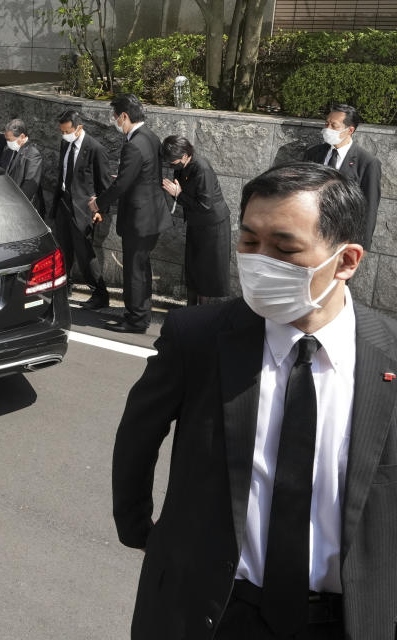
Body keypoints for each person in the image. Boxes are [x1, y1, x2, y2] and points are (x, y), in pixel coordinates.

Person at [112, 161, 397, 639]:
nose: (260, 261)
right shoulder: (198, 338)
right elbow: (138, 438)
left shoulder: (386, 355)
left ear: (347, 261)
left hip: (345, 619)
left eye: (284, 249)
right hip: (217, 611)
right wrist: (141, 530)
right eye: (248, 242)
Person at [90, 94, 171, 333]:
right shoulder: (151, 137)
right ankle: (141, 315)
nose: (114, 121)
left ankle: (135, 320)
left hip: (139, 219)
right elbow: (142, 175)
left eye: (115, 117)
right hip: (152, 216)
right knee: (142, 268)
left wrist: (98, 204)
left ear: (124, 117)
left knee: (134, 272)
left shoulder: (134, 144)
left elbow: (122, 185)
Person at [51, 108, 112, 309]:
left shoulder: (95, 149)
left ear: (79, 128)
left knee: (85, 254)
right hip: (64, 203)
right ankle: (64, 286)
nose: (64, 134)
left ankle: (99, 293)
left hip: (84, 209)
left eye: (67, 131)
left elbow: (104, 185)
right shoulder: (64, 144)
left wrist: (100, 211)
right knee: (63, 250)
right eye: (61, 131)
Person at [160, 135, 232, 305]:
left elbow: (205, 204)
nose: (171, 165)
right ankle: (191, 309)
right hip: (196, 223)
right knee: (193, 269)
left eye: (173, 161)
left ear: (185, 156)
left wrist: (178, 194)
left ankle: (202, 314)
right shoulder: (183, 165)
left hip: (212, 225)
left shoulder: (202, 168)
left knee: (206, 273)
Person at [302, 103, 381, 249]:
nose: (327, 129)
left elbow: (369, 208)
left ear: (350, 130)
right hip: (310, 233)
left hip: (342, 237)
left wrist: (362, 245)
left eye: (334, 125)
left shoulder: (368, 163)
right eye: (326, 123)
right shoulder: (313, 154)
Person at [0, 118, 44, 215]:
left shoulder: (32, 154)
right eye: (6, 139)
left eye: (9, 139)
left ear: (22, 136)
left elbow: (29, 186)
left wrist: (14, 205)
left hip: (22, 208)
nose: (7, 142)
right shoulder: (8, 150)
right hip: (6, 203)